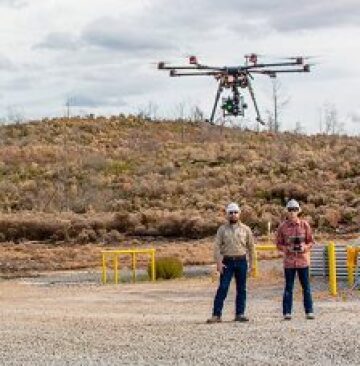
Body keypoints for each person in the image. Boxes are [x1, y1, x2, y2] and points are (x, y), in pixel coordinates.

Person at [207, 202, 255, 323]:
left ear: (239, 214)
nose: (233, 215)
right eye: (231, 212)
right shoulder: (222, 230)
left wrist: (252, 264)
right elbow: (217, 247)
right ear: (227, 214)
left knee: (242, 289)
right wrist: (218, 262)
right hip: (227, 262)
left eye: (235, 212)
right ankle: (216, 315)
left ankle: (240, 314)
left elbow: (251, 248)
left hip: (241, 261)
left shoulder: (246, 229)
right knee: (223, 288)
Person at [276, 199, 315, 320]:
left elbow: (311, 241)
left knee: (306, 287)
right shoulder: (282, 227)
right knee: (289, 287)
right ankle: (287, 312)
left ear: (299, 211)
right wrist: (286, 249)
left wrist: (305, 247)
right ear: (286, 212)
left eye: (295, 210)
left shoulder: (305, 225)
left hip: (303, 261)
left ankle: (309, 311)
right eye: (290, 210)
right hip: (289, 262)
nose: (292, 212)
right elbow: (278, 243)